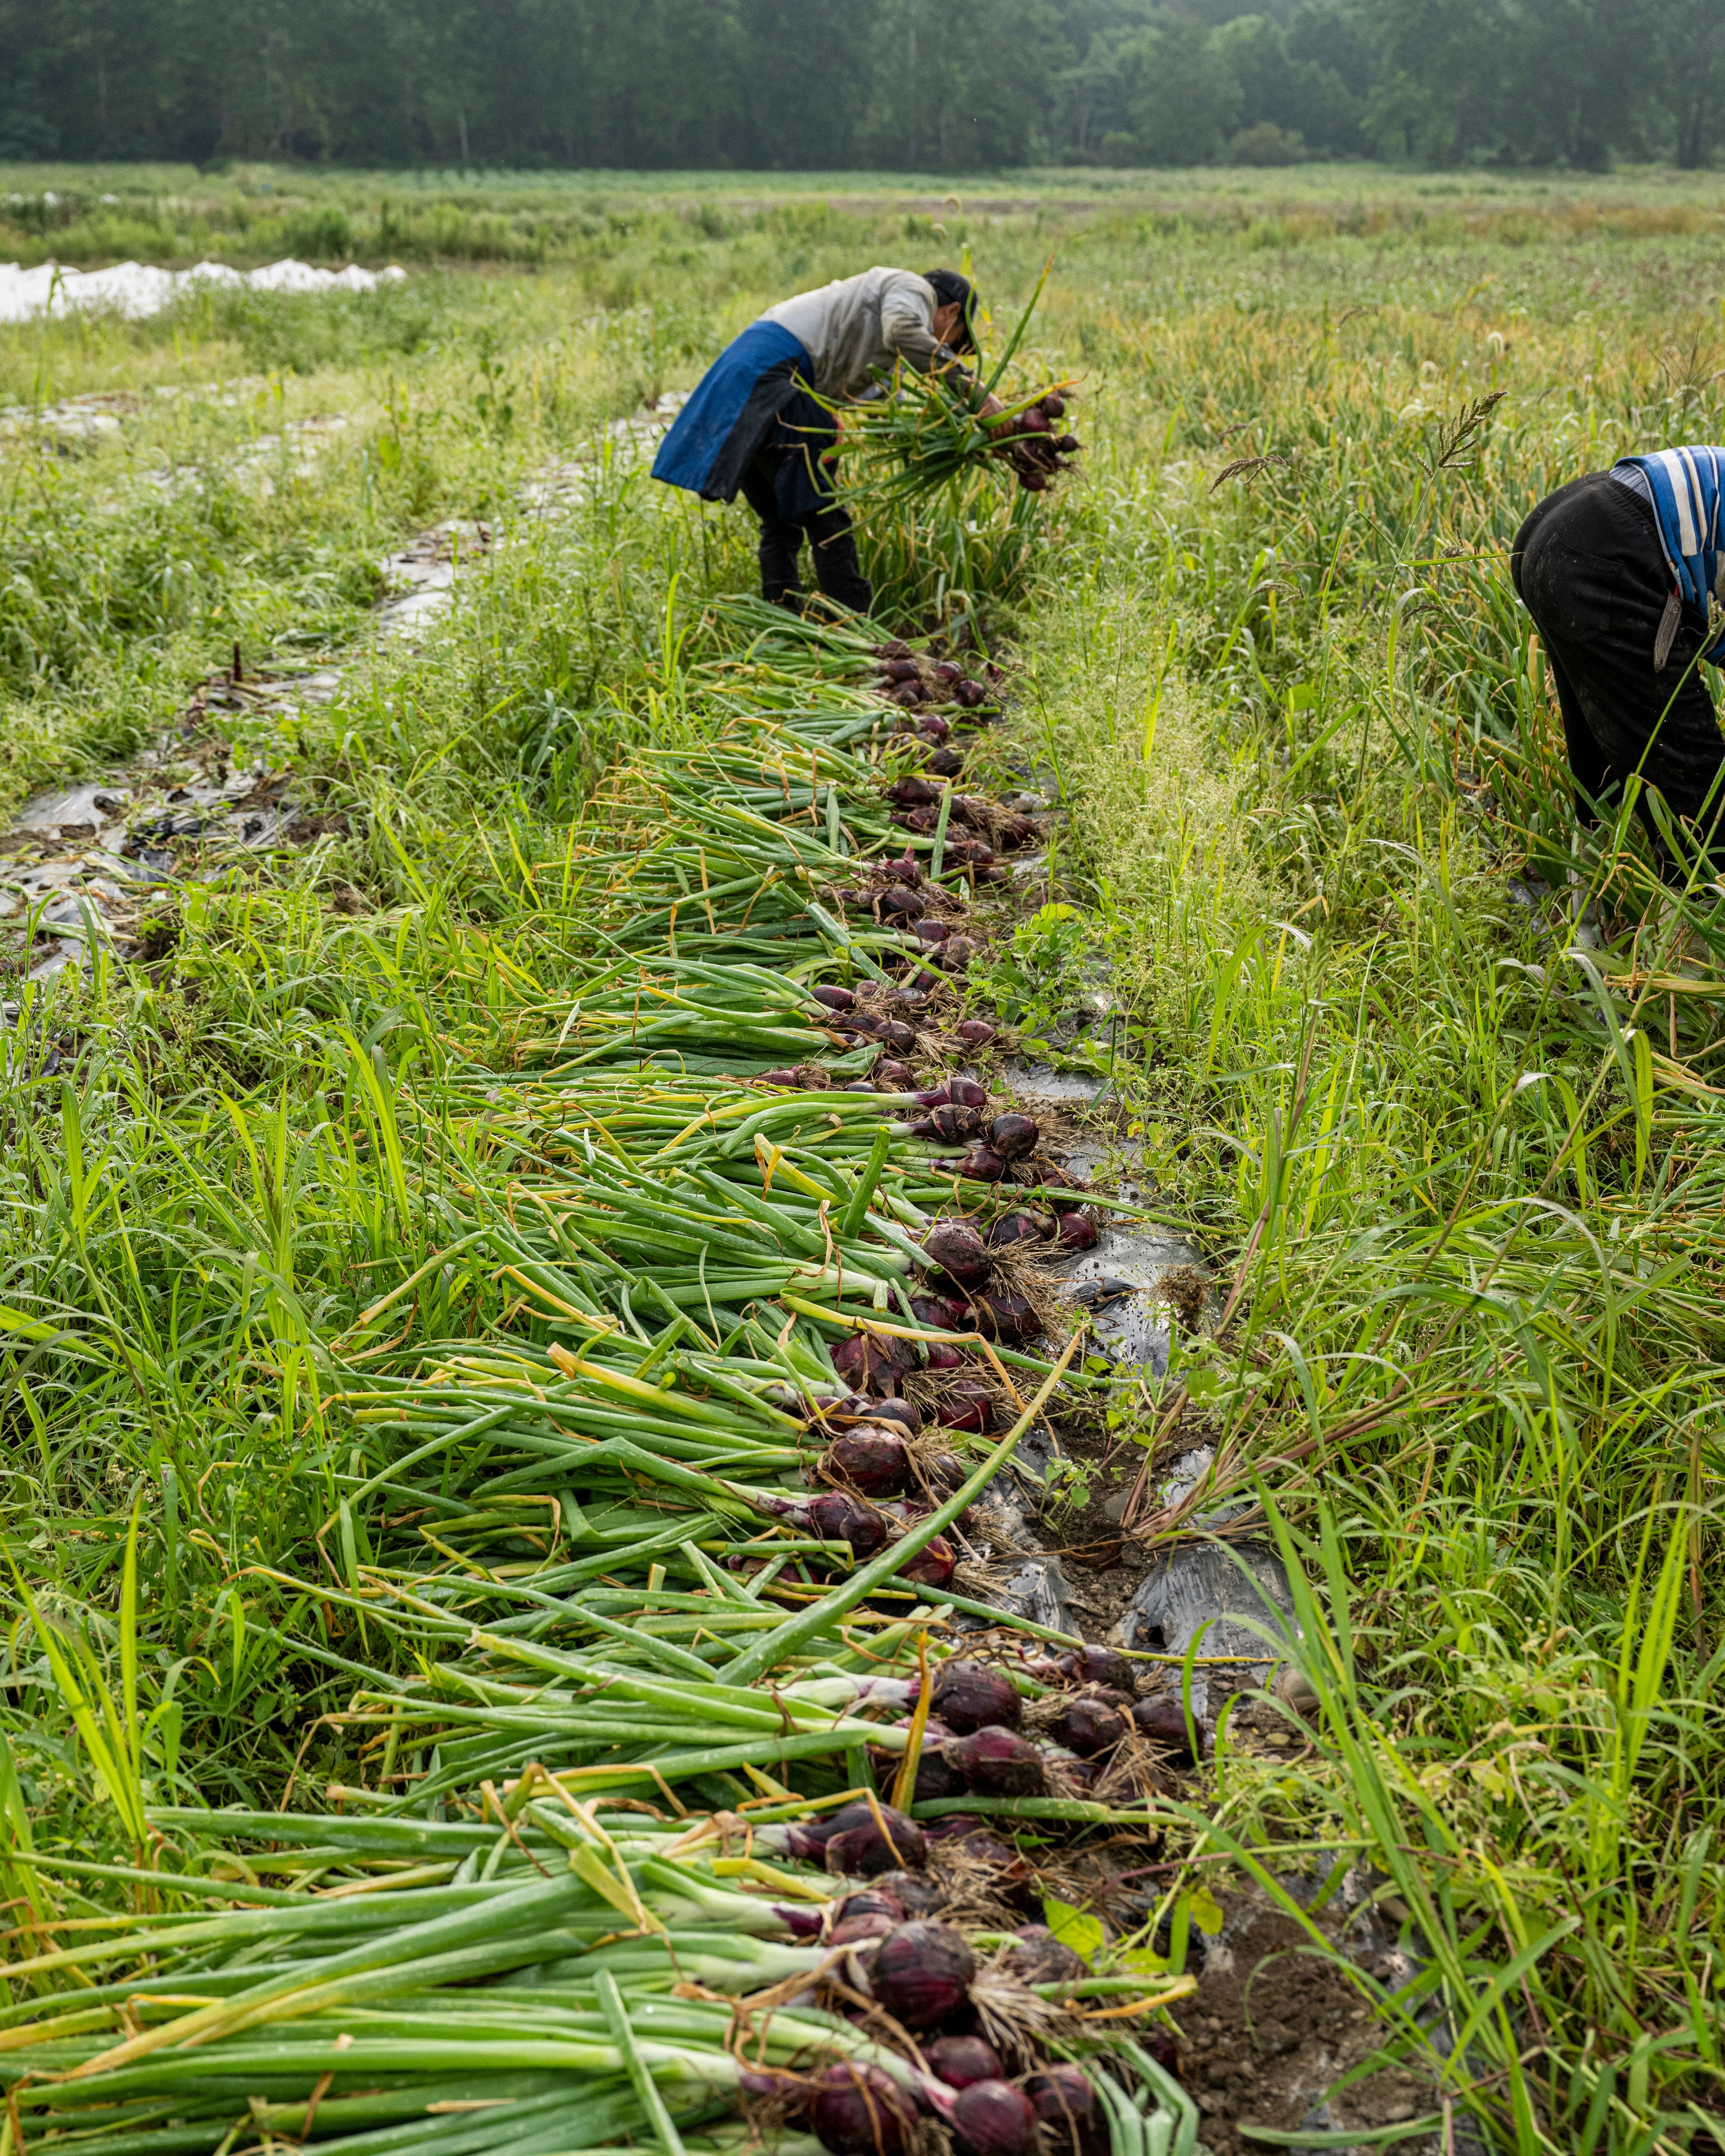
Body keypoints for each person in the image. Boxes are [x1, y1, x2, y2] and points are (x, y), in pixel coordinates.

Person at [652, 266, 999, 615]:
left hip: (749, 371)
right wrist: (974, 391)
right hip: (777, 372)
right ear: (950, 311)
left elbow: (889, 409)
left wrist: (944, 438)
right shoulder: (914, 288)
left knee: (780, 519)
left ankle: (784, 619)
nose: (943, 349)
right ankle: (855, 624)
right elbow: (903, 331)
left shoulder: (889, 351)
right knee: (826, 516)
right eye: (951, 341)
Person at [1511, 449, 1725, 891]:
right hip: (1611, 547)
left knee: (1606, 762)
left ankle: (1583, 917)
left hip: (1573, 522)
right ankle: (1690, 948)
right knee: (1702, 801)